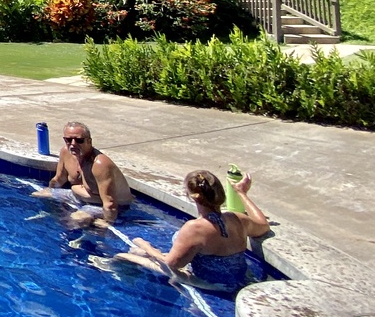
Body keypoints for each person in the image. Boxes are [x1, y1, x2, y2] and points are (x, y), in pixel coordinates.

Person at [119, 170, 270, 290]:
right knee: (137, 252)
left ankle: (122, 281)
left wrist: (146, 246)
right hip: (240, 279)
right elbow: (263, 226)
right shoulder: (237, 219)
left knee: (123, 256)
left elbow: (172, 265)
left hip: (211, 284)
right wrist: (241, 192)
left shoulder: (194, 228)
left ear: (193, 197)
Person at [34, 122, 133, 225]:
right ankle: (48, 215)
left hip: (102, 205)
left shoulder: (99, 164)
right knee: (38, 194)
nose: (73, 144)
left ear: (89, 141)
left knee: (75, 219)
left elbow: (110, 204)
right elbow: (59, 179)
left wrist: (107, 223)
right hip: (76, 197)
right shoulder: (65, 153)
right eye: (68, 140)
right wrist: (50, 191)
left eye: (79, 140)